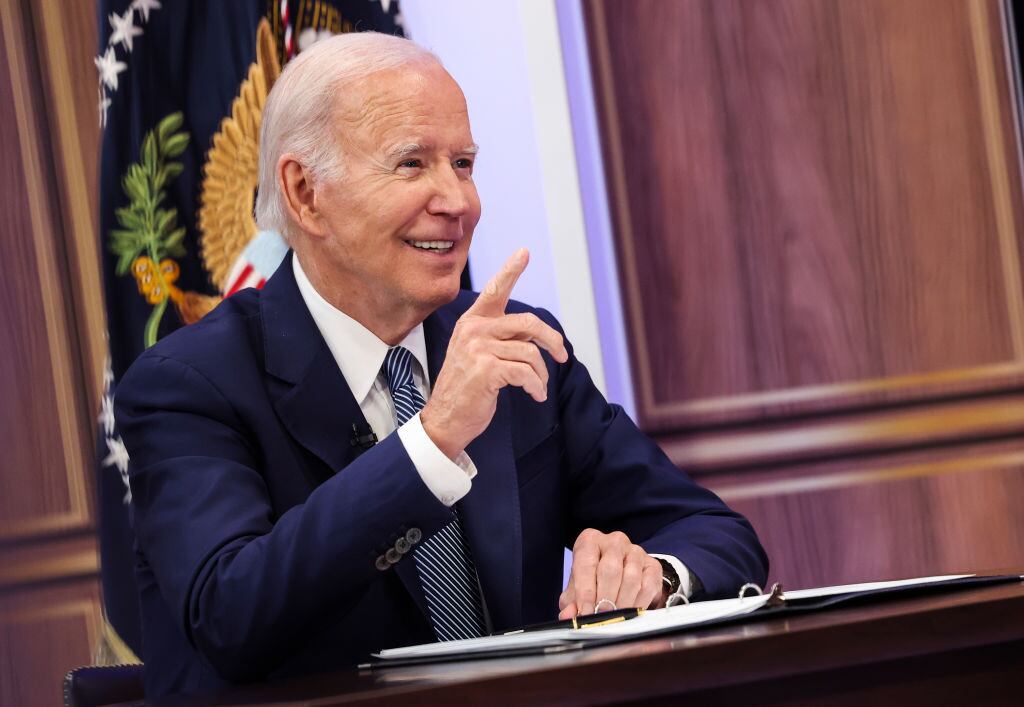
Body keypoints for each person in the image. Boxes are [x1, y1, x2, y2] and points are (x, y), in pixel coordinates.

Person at [115, 32, 768, 699]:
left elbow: (717, 533)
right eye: (411, 164)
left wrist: (652, 574)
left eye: (463, 162)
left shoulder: (514, 345)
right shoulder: (189, 385)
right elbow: (233, 616)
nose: (457, 201)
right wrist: (429, 442)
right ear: (305, 192)